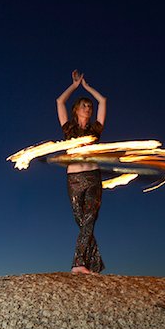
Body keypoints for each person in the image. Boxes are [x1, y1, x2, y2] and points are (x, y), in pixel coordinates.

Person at [56, 70, 107, 275]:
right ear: (76, 109)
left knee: (89, 220)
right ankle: (94, 265)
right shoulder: (68, 129)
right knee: (81, 221)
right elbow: (60, 101)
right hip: (74, 179)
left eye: (90, 106)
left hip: (93, 177)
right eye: (84, 105)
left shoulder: (95, 130)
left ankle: (78, 264)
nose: (88, 107)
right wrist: (75, 86)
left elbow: (103, 100)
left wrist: (88, 87)